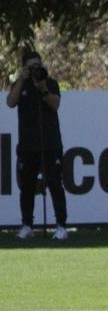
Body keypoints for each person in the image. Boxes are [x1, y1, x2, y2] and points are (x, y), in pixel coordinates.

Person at [7, 49, 68, 241]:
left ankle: (61, 225)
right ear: (24, 68)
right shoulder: (20, 85)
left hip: (50, 143)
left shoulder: (50, 83)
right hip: (28, 145)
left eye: (37, 65)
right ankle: (27, 225)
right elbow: (10, 102)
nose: (35, 69)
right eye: (30, 66)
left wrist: (42, 88)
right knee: (27, 186)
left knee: (55, 184)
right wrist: (22, 79)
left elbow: (55, 104)